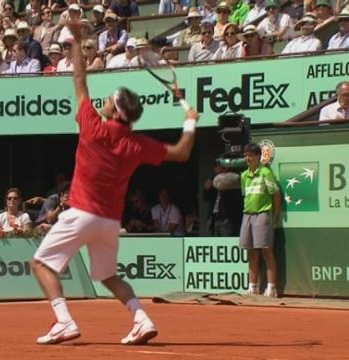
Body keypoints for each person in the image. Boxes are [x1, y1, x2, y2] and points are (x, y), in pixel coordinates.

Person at [30, 20, 199, 345]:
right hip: (109, 222)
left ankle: (63, 321)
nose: (104, 100)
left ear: (116, 110)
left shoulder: (93, 125)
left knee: (39, 263)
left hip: (80, 214)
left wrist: (76, 41)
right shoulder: (137, 144)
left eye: (109, 99)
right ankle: (142, 318)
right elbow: (181, 153)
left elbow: (79, 79)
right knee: (108, 276)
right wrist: (189, 124)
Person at [239, 143, 281, 298]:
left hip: (263, 214)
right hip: (247, 215)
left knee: (266, 251)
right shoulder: (243, 176)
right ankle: (253, 287)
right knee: (251, 252)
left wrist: (275, 216)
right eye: (246, 155)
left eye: (250, 155)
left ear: (258, 157)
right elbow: (246, 196)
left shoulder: (265, 173)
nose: (248, 158)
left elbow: (276, 195)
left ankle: (272, 288)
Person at [203, 160, 242, 236]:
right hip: (213, 217)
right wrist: (206, 189)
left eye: (218, 166)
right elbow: (205, 198)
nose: (217, 169)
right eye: (215, 166)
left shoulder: (233, 180)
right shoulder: (213, 180)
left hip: (226, 217)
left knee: (226, 238)